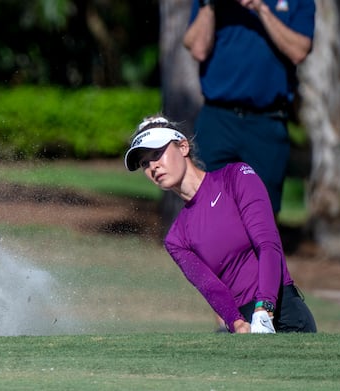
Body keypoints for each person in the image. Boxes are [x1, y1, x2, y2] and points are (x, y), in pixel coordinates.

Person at [124, 115, 316, 333]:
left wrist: (265, 308)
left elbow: (268, 244)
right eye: (144, 163)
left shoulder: (236, 177)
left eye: (158, 153)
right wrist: (236, 323)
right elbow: (211, 288)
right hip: (245, 324)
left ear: (183, 146)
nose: (153, 167)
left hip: (283, 310)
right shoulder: (176, 238)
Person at [183, 0, 316, 215]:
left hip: (267, 123)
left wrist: (260, 7)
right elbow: (197, 48)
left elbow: (299, 51)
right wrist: (209, 6)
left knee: (262, 218)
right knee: (206, 211)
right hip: (217, 121)